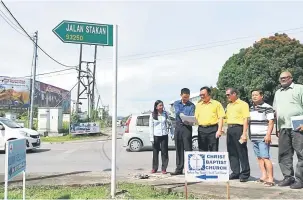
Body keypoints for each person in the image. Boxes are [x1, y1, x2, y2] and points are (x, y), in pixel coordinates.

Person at [273, 71, 303, 189]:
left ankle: (300, 180)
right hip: (283, 126)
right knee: (284, 154)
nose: (283, 80)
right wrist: (277, 127)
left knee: (301, 153)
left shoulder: (299, 88)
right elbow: (276, 111)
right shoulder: (278, 93)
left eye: (285, 77)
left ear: (291, 78)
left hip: (298, 126)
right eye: (281, 78)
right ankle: (288, 177)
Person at [249, 89, 275, 186]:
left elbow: (271, 122)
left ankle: (270, 178)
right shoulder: (251, 108)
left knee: (265, 157)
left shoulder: (267, 107)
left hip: (263, 137)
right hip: (254, 137)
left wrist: (268, 135)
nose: (254, 97)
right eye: (252, 95)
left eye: (256, 95)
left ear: (261, 96)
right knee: (259, 158)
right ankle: (264, 176)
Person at [225, 88, 250, 182]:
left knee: (241, 152)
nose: (227, 97)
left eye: (228, 95)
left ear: (234, 94)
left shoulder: (243, 104)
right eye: (226, 95)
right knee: (232, 152)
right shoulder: (229, 105)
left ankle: (245, 173)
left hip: (238, 128)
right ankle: (235, 172)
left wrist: (244, 133)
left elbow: (245, 119)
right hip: (230, 128)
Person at [171, 88, 195, 175]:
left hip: (187, 128)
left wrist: (188, 119)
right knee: (179, 148)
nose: (186, 99)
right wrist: (183, 116)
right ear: (181, 95)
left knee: (188, 148)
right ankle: (179, 168)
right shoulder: (177, 103)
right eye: (184, 97)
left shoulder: (192, 105)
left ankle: (190, 169)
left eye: (188, 97)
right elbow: (178, 112)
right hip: (178, 127)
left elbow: (191, 115)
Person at [195, 86, 225, 152]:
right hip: (201, 130)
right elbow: (196, 118)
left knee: (214, 150)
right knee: (202, 150)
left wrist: (219, 130)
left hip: (213, 130)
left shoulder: (216, 104)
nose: (202, 96)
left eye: (203, 95)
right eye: (200, 95)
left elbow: (221, 117)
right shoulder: (198, 105)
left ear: (209, 94)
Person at [149, 100, 173, 174]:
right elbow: (151, 127)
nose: (161, 107)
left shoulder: (165, 114)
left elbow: (170, 124)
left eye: (162, 105)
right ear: (156, 107)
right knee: (155, 152)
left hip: (164, 135)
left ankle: (164, 168)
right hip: (156, 135)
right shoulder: (153, 115)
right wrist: (151, 138)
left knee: (164, 152)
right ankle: (154, 168)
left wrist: (172, 134)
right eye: (160, 105)